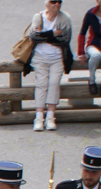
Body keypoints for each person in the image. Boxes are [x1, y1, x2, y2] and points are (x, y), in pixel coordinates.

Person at [28, 0, 73, 132]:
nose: (57, 4)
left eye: (59, 2)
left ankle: (50, 117)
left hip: (57, 58)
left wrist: (43, 34)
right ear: (46, 3)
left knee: (54, 83)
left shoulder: (65, 18)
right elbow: (33, 37)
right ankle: (38, 117)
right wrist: (53, 34)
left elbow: (65, 39)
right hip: (40, 57)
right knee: (41, 84)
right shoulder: (38, 17)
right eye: (53, 2)